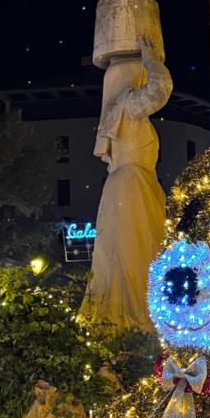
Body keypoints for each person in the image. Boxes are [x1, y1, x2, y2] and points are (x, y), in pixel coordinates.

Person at [79, 35, 172, 332]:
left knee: (129, 257)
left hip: (128, 187)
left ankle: (126, 319)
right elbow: (160, 90)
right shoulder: (128, 105)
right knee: (137, 255)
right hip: (133, 189)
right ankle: (136, 322)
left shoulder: (118, 113)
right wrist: (152, 61)